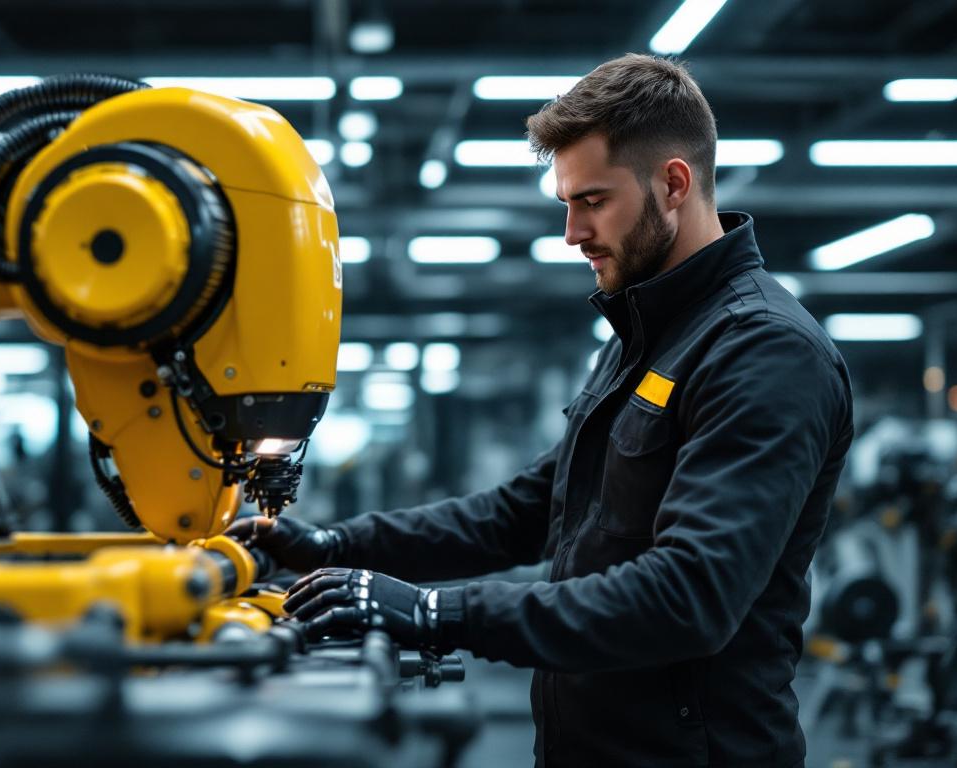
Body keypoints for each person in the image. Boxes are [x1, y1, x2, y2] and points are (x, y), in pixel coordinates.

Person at [230, 53, 853, 767]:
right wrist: (338, 548)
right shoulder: (644, 341)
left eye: (592, 201)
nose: (571, 233)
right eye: (566, 204)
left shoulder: (766, 353)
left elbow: (689, 595)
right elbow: (527, 510)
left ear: (674, 183)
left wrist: (436, 614)